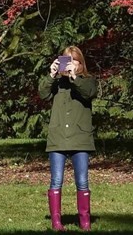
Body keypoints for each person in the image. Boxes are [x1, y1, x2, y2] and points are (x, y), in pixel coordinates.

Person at [38, 45, 98, 231]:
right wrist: (51, 75)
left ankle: (85, 222)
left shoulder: (88, 80)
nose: (69, 64)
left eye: (73, 60)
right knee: (56, 180)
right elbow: (42, 94)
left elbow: (90, 93)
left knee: (82, 181)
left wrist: (74, 78)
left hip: (80, 139)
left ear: (80, 63)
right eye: (66, 60)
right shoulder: (56, 83)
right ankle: (57, 223)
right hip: (58, 139)